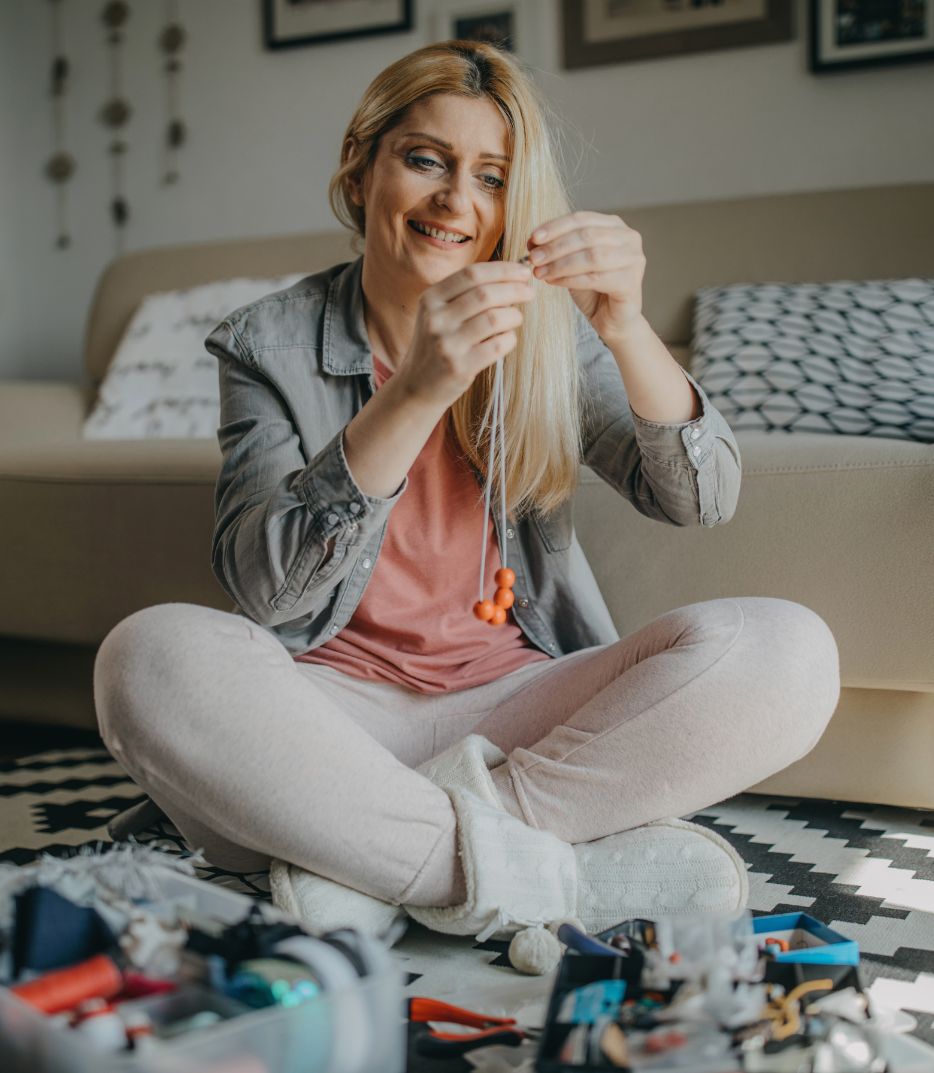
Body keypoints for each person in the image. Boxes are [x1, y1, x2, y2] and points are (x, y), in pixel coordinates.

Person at [94, 41, 840, 947]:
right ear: (361, 167)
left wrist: (628, 325)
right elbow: (268, 590)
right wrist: (415, 390)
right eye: (425, 161)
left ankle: (374, 868)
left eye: (492, 177)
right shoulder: (267, 345)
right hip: (327, 727)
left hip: (518, 709)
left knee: (791, 652)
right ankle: (556, 870)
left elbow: (698, 498)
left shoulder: (547, 336)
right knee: (148, 656)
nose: (458, 202)